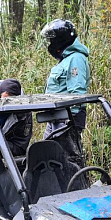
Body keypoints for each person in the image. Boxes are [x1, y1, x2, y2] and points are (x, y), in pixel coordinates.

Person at [41, 19, 91, 177]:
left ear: (60, 39)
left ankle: (79, 190)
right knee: (47, 156)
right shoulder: (65, 60)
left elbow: (77, 93)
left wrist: (70, 119)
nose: (50, 43)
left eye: (52, 39)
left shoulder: (76, 59)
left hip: (67, 119)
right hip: (55, 118)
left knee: (70, 160)